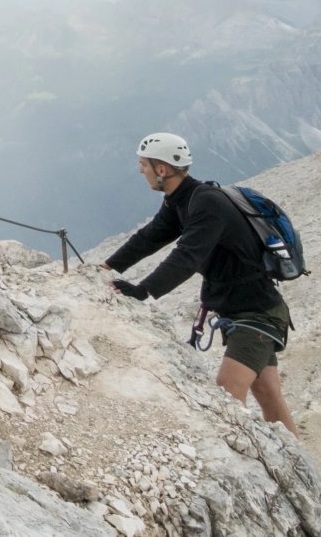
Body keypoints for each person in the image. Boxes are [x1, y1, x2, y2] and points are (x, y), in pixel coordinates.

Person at [105, 132, 299, 434]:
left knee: (227, 393)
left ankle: (251, 471)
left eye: (143, 164)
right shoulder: (181, 200)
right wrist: (107, 267)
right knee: (267, 393)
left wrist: (143, 291)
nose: (140, 170)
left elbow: (188, 256)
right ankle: (303, 471)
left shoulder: (207, 203)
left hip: (256, 315)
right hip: (249, 310)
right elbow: (150, 237)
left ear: (161, 169)